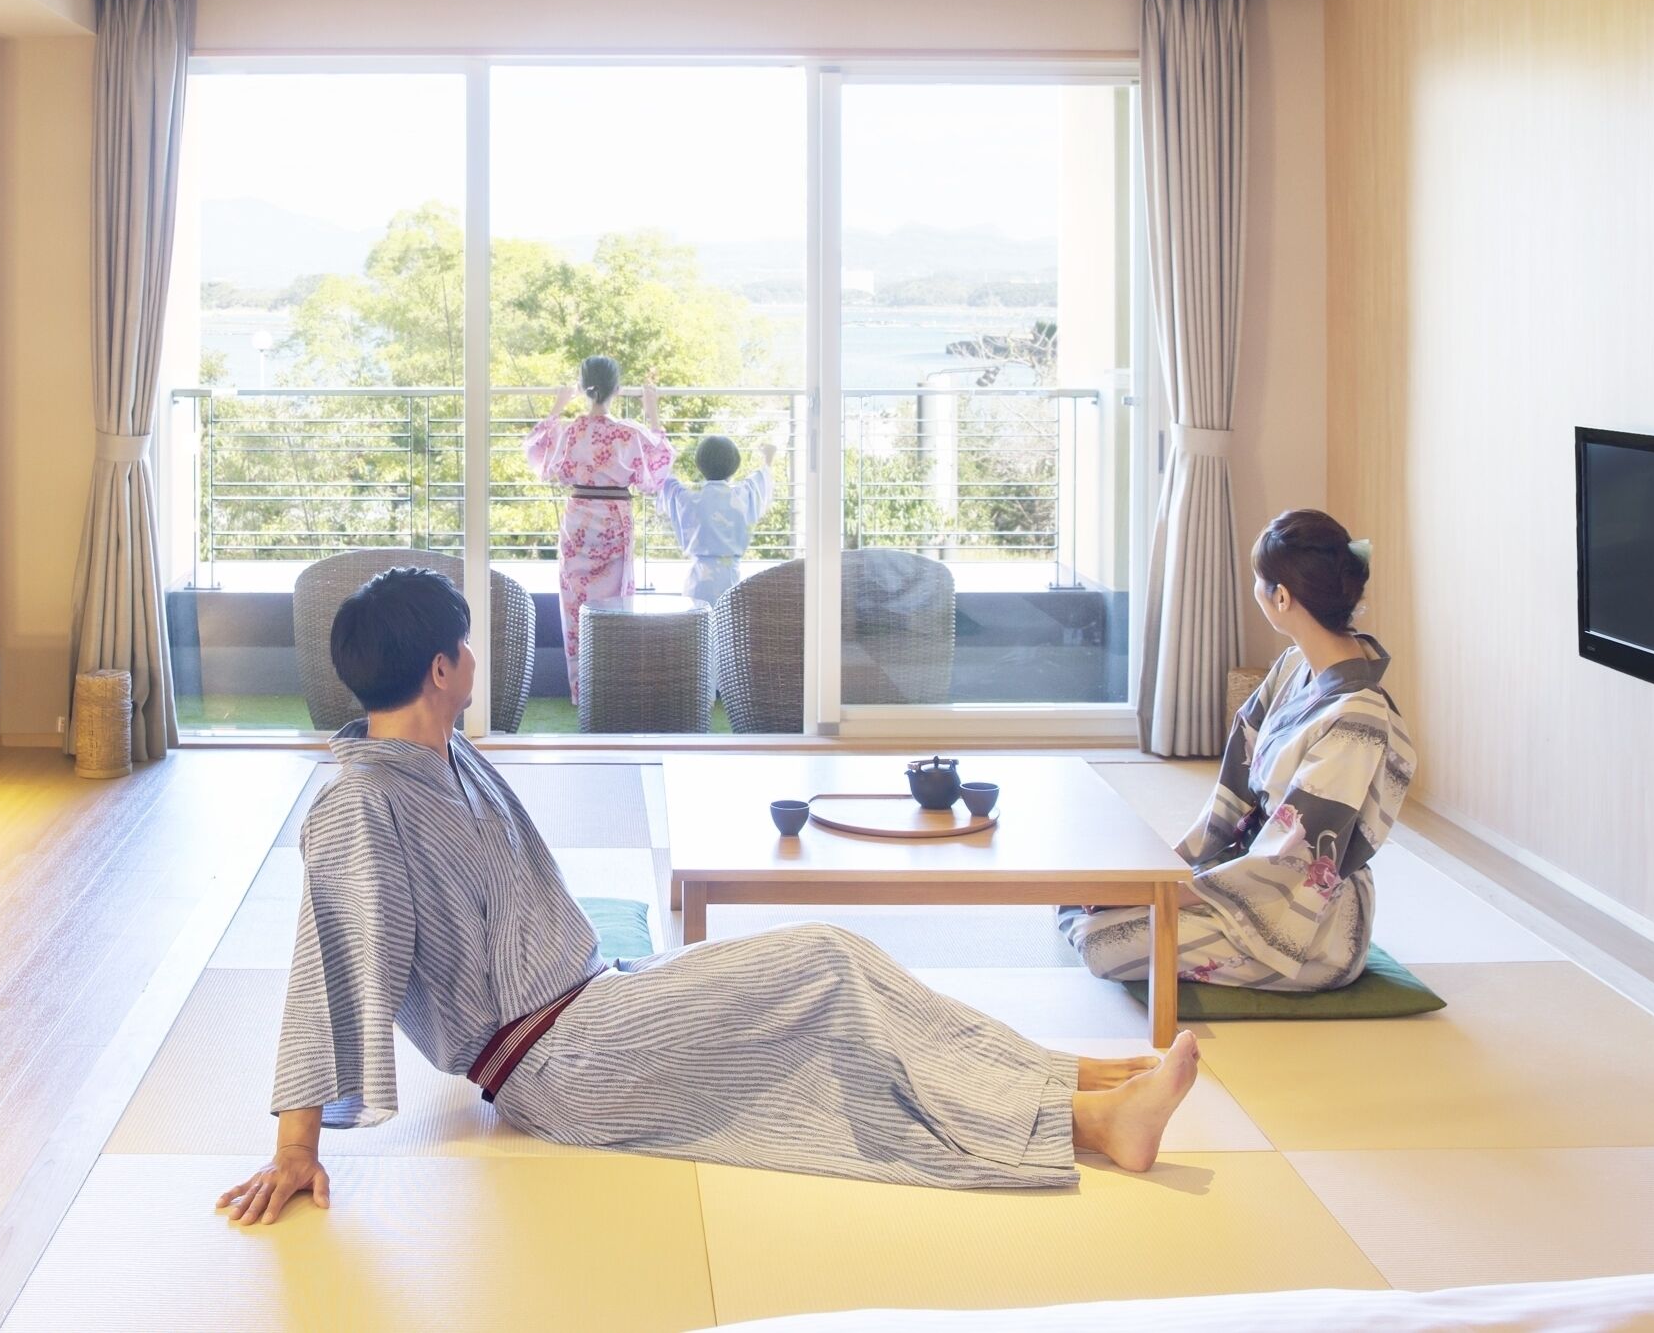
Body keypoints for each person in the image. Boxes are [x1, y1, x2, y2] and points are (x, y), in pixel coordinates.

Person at [218, 566, 1201, 1227]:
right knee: (826, 966)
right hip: (559, 1060)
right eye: (466, 648)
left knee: (831, 979)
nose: (475, 660)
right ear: (441, 670)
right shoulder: (360, 805)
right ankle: (1083, 1119)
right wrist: (295, 1145)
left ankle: (1072, 1078)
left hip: (597, 1005)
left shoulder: (437, 750)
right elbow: (326, 964)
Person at [1062, 509, 1419, 992]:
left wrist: (1161, 894)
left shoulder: (1357, 720)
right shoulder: (1295, 665)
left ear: (1282, 597)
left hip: (1306, 925)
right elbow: (1233, 793)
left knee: (1101, 942)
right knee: (1083, 896)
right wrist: (1159, 874)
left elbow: (1290, 861)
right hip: (1251, 881)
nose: (1256, 591)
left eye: (1258, 580)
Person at [522, 356, 673, 699]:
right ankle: (616, 687)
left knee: (574, 604)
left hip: (578, 521)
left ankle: (582, 691)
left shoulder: (572, 430)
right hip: (615, 518)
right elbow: (656, 472)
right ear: (617, 390)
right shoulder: (630, 433)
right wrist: (652, 413)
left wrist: (558, 405)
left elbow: (542, 461)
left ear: (583, 387)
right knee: (617, 601)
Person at [656, 434, 776, 608]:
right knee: (729, 630)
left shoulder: (691, 501)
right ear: (734, 465)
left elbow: (668, 484)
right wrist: (768, 458)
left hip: (698, 583)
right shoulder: (741, 498)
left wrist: (667, 456)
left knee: (699, 630)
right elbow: (759, 481)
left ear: (699, 465)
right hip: (731, 580)